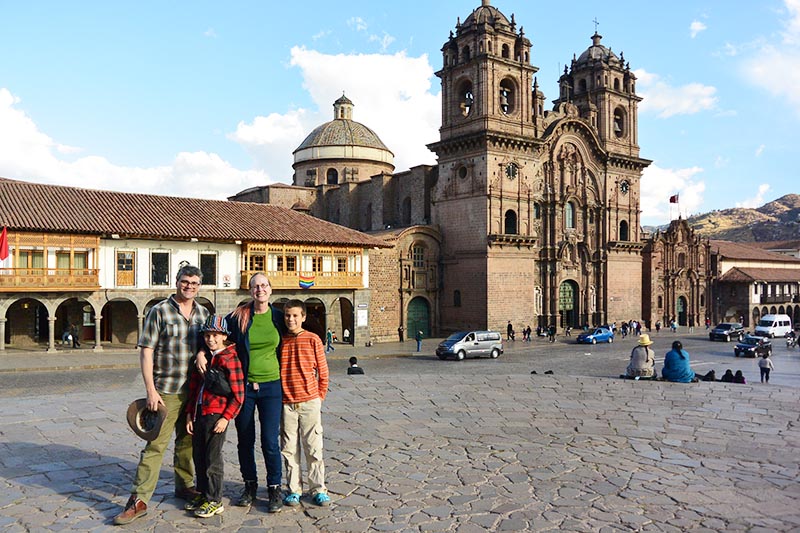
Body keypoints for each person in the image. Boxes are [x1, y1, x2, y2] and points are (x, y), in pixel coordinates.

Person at [114, 265, 210, 526]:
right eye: (185, 281)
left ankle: (184, 485)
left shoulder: (203, 313)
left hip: (193, 391)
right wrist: (150, 390)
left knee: (187, 443)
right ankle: (139, 499)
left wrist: (202, 352)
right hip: (165, 391)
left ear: (200, 285)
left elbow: (209, 343)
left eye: (194, 283)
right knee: (155, 446)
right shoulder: (160, 311)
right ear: (176, 282)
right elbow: (146, 350)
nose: (189, 286)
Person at [197, 273, 286, 512]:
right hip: (245, 387)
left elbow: (303, 334)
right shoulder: (239, 317)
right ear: (250, 290)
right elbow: (212, 330)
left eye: (264, 285)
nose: (260, 289)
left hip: (272, 387)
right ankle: (250, 485)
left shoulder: (278, 317)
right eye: (255, 286)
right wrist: (201, 352)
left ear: (270, 289)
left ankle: (275, 487)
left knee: (269, 441)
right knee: (245, 440)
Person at [184, 316, 245, 519]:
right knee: (199, 456)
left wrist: (226, 417)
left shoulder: (230, 359)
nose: (211, 339)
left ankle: (214, 500)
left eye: (215, 335)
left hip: (216, 415)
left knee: (212, 458)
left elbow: (238, 395)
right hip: (200, 412)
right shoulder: (203, 358)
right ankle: (203, 494)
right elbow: (194, 389)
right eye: (208, 335)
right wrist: (189, 415)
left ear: (224, 336)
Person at [279, 300, 331, 507]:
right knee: (289, 449)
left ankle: (318, 488)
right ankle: (294, 489)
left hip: (309, 401)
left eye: (294, 315)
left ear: (303, 317)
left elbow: (323, 370)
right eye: (287, 315)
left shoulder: (313, 339)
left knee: (313, 447)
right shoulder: (281, 340)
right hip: (287, 403)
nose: (290, 319)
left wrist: (319, 396)